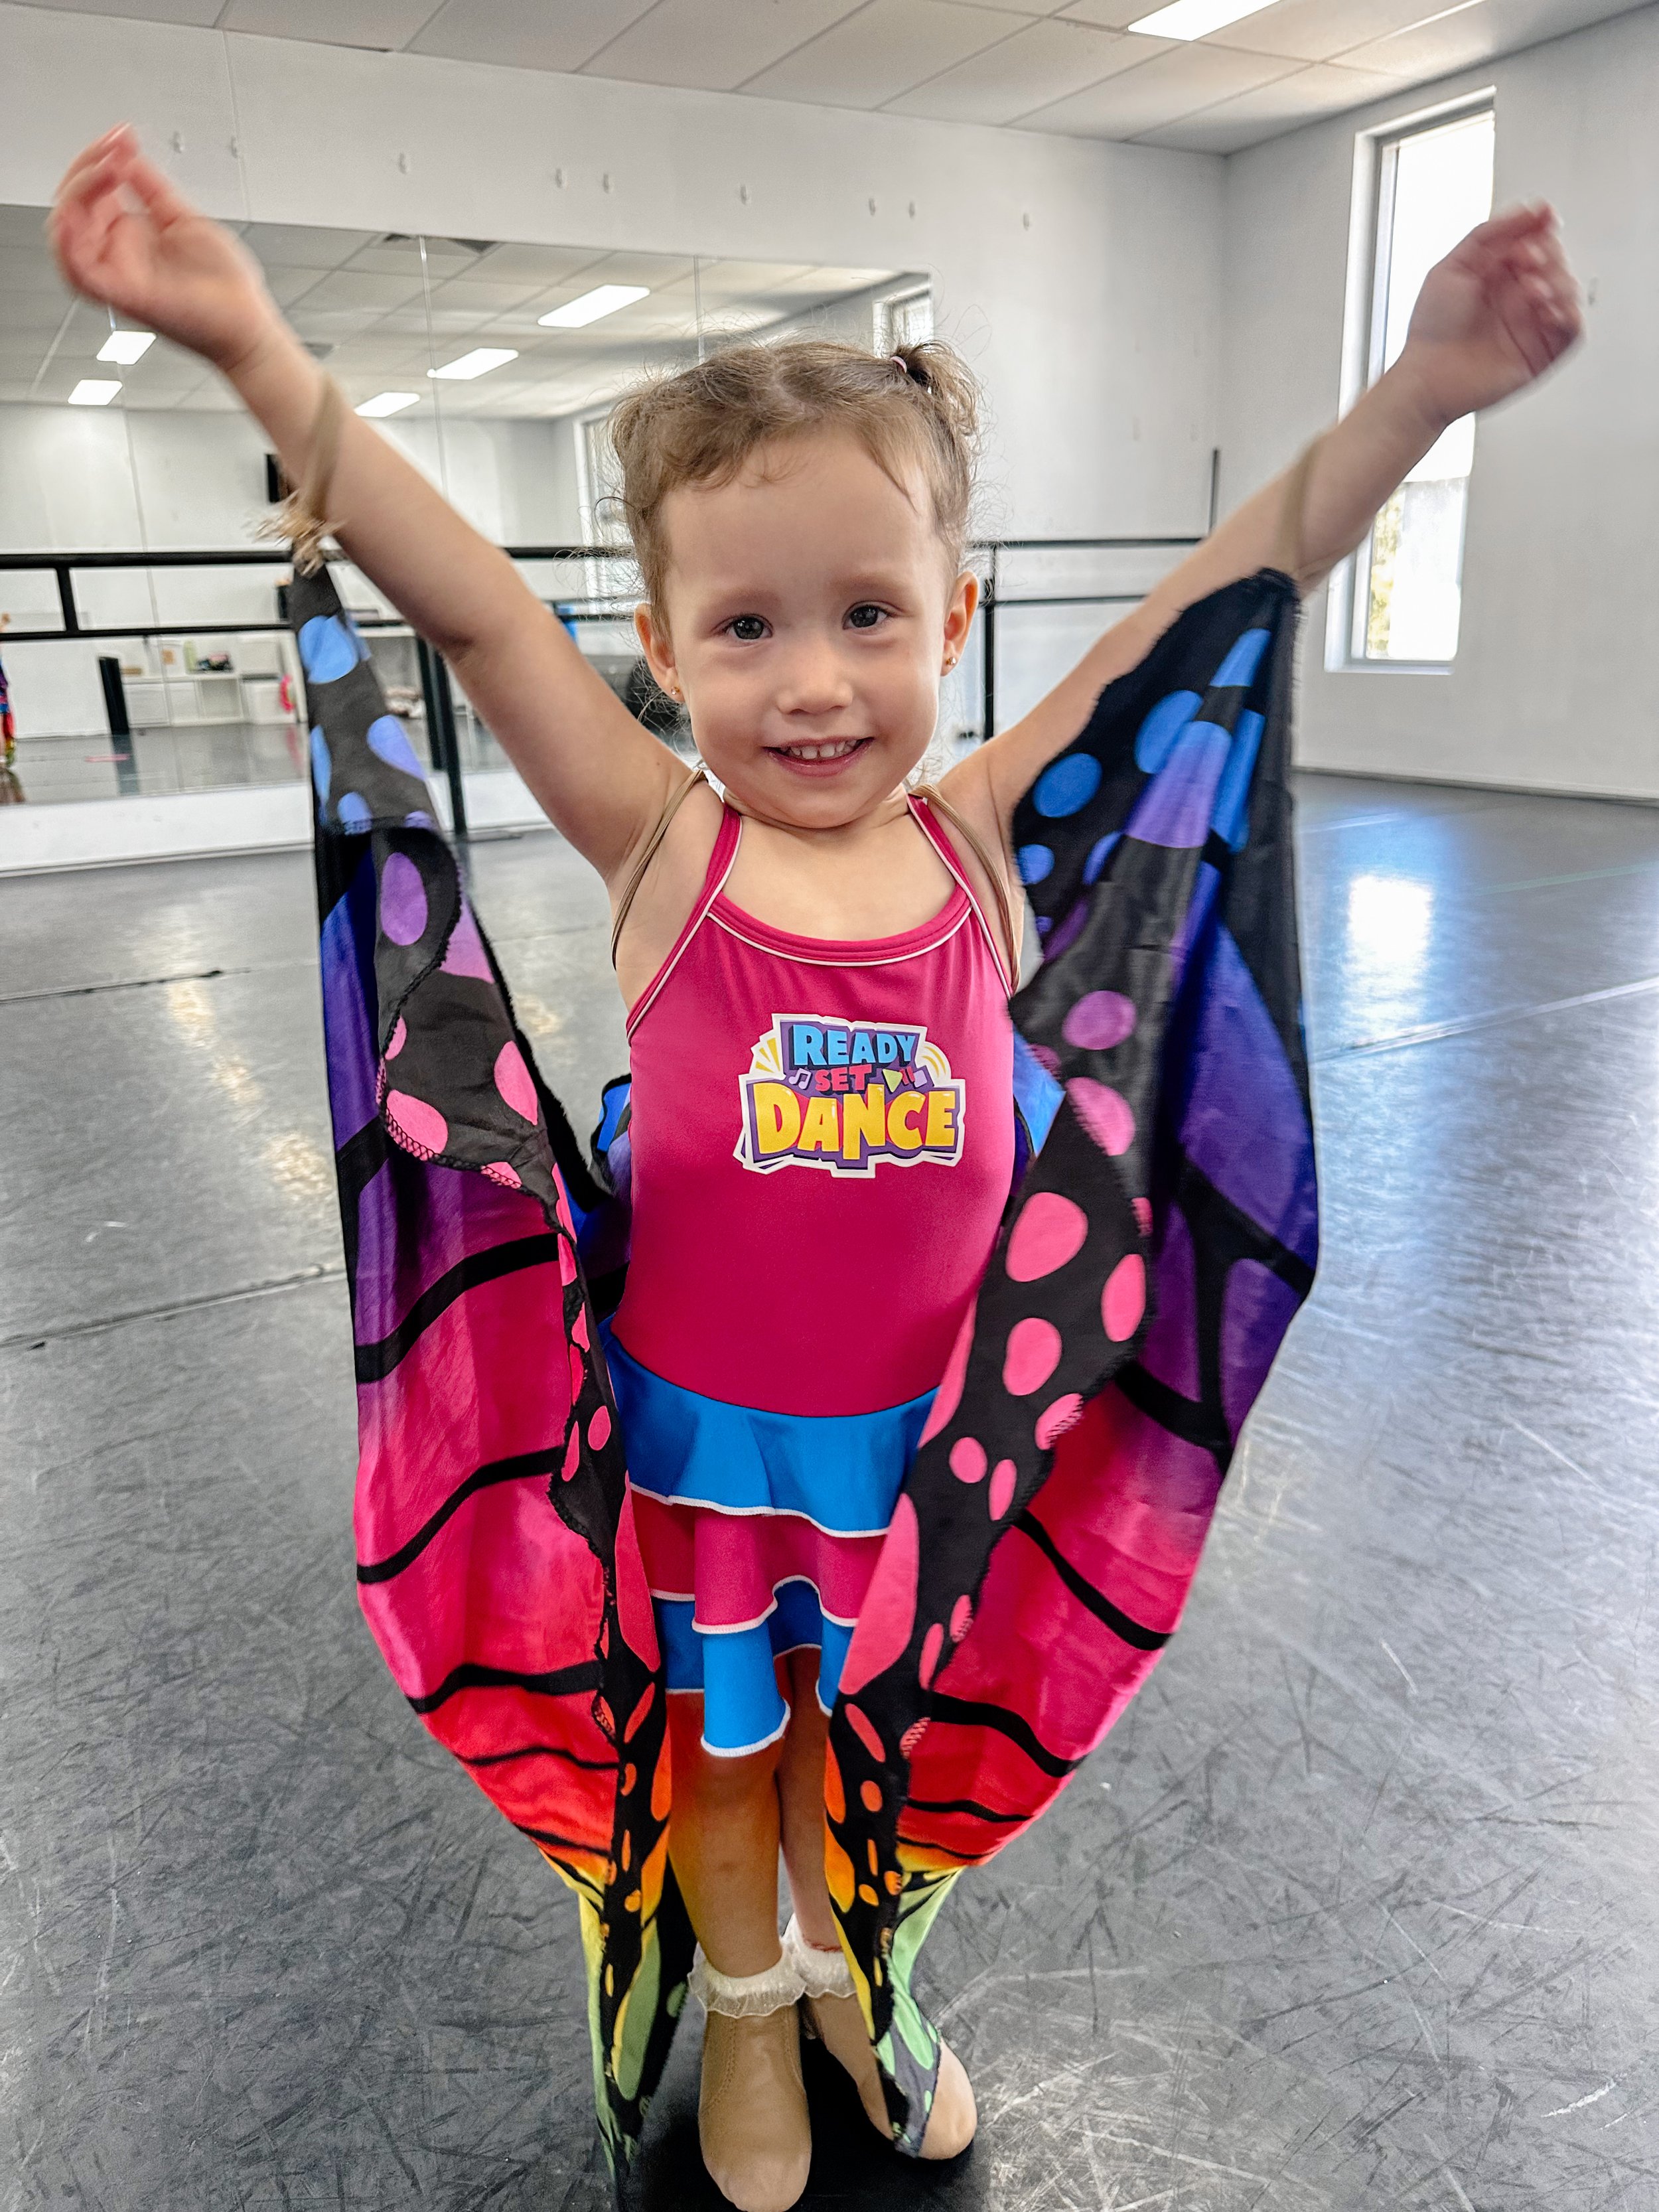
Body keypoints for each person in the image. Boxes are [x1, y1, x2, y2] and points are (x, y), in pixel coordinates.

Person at [50, 123, 1580, 2212]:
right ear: (666, 652)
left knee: (897, 1753)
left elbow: (1221, 591)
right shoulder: (673, 851)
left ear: (952, 615)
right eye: (747, 627)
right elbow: (485, 621)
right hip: (704, 1449)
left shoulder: (976, 846)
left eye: (868, 613)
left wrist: (1417, 392)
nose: (815, 678)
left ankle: (865, 1982)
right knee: (734, 1753)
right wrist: (261, 358)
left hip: (934, 1450)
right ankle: (746, 2021)